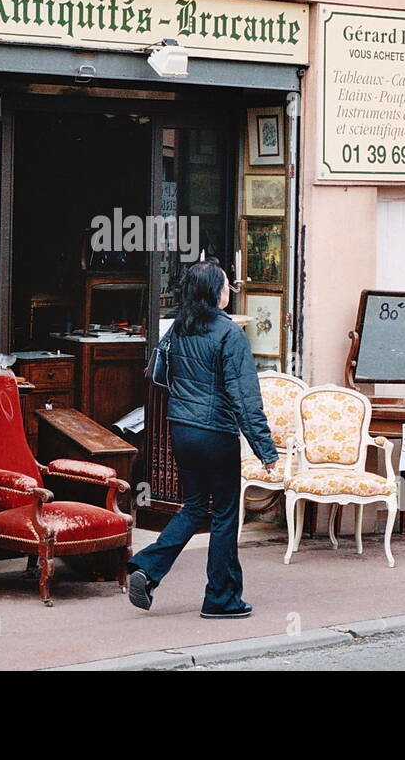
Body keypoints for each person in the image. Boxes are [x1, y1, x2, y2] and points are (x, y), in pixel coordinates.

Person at [127, 258, 279, 618]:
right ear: (215, 292)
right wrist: (266, 450)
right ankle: (221, 599)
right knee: (225, 514)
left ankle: (147, 568)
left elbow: (158, 374)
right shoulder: (230, 335)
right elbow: (245, 398)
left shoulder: (179, 329)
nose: (230, 290)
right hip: (216, 433)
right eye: (226, 285)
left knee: (195, 506)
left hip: (182, 430)